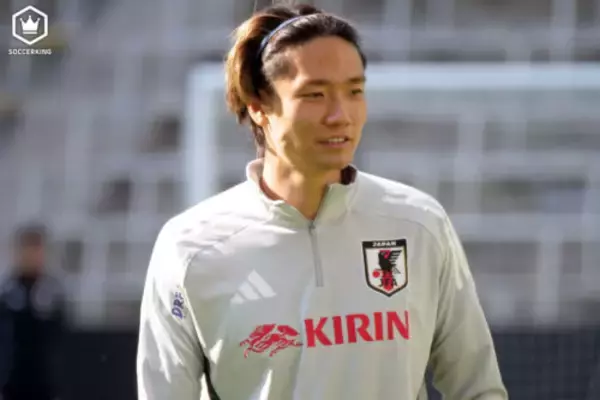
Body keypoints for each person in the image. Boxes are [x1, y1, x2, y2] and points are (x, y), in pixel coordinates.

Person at [136, 3, 508, 399]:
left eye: (354, 91)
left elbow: (477, 389)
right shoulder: (190, 248)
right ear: (259, 107)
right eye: (315, 95)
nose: (340, 115)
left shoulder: (419, 224)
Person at [0, 223, 65, 400]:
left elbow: (59, 340)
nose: (31, 256)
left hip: (44, 384)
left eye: (36, 250)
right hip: (12, 383)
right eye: (27, 249)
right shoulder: (7, 292)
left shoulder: (52, 293)